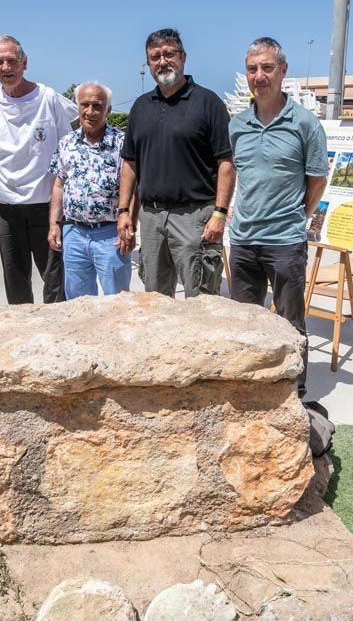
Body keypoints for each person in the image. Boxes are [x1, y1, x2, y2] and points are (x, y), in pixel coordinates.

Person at [227, 37, 328, 397]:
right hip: (242, 241)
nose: (259, 76)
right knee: (244, 321)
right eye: (253, 68)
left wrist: (298, 218)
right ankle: (247, 386)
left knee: (290, 322)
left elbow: (317, 180)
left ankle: (293, 392)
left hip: (285, 242)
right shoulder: (237, 125)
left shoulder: (305, 124)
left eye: (267, 68)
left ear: (282, 70)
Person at [117, 28, 234, 298]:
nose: (162, 61)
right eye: (155, 57)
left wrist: (219, 213)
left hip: (195, 217)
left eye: (169, 54)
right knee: (154, 298)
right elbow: (130, 164)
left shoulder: (208, 103)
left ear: (183, 57)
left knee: (201, 296)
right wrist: (124, 210)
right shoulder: (140, 107)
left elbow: (226, 163)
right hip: (151, 218)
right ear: (148, 63)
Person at [0, 35, 76, 305]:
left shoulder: (49, 98)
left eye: (12, 60)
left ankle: (58, 333)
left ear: (25, 62)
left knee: (55, 280)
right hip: (6, 208)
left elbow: (68, 149)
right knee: (15, 280)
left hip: (47, 206)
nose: (6, 67)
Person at [48, 82, 132, 299]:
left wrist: (130, 226)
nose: (90, 111)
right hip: (74, 233)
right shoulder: (66, 143)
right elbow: (59, 185)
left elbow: (133, 188)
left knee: (117, 300)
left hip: (110, 233)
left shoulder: (122, 144)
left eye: (97, 106)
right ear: (78, 107)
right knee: (78, 303)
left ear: (108, 110)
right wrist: (54, 225)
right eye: (85, 104)